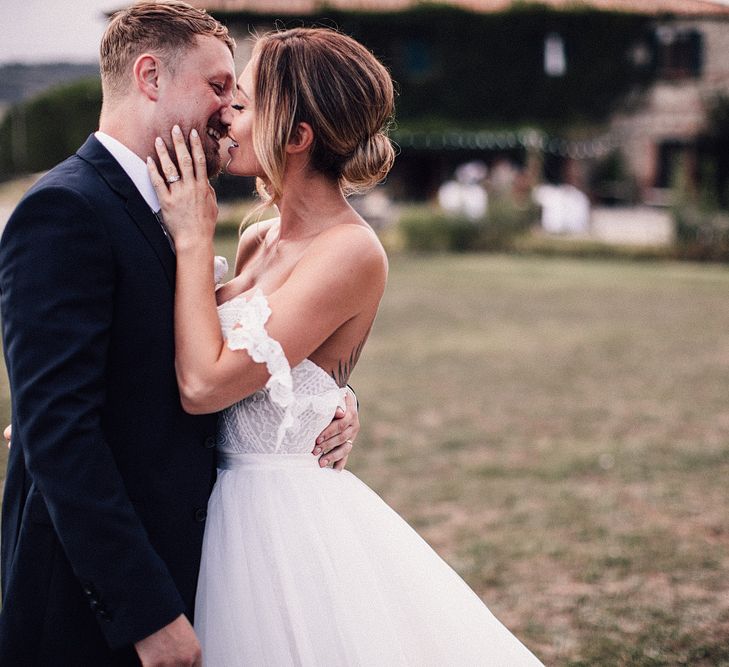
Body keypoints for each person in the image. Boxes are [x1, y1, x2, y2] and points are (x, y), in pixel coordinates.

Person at [148, 27, 543, 665]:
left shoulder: (352, 252)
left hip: (276, 528)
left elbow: (204, 386)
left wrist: (194, 240)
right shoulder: (258, 239)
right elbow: (275, 369)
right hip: (202, 505)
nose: (225, 114)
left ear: (298, 137)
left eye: (243, 104)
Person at [0, 4, 358, 665]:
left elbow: (222, 348)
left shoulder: (175, 204)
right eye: (219, 87)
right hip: (90, 603)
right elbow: (58, 430)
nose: (228, 112)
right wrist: (147, 613)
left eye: (236, 95)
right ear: (150, 77)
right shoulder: (65, 209)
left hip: (200, 557)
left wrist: (323, 401)